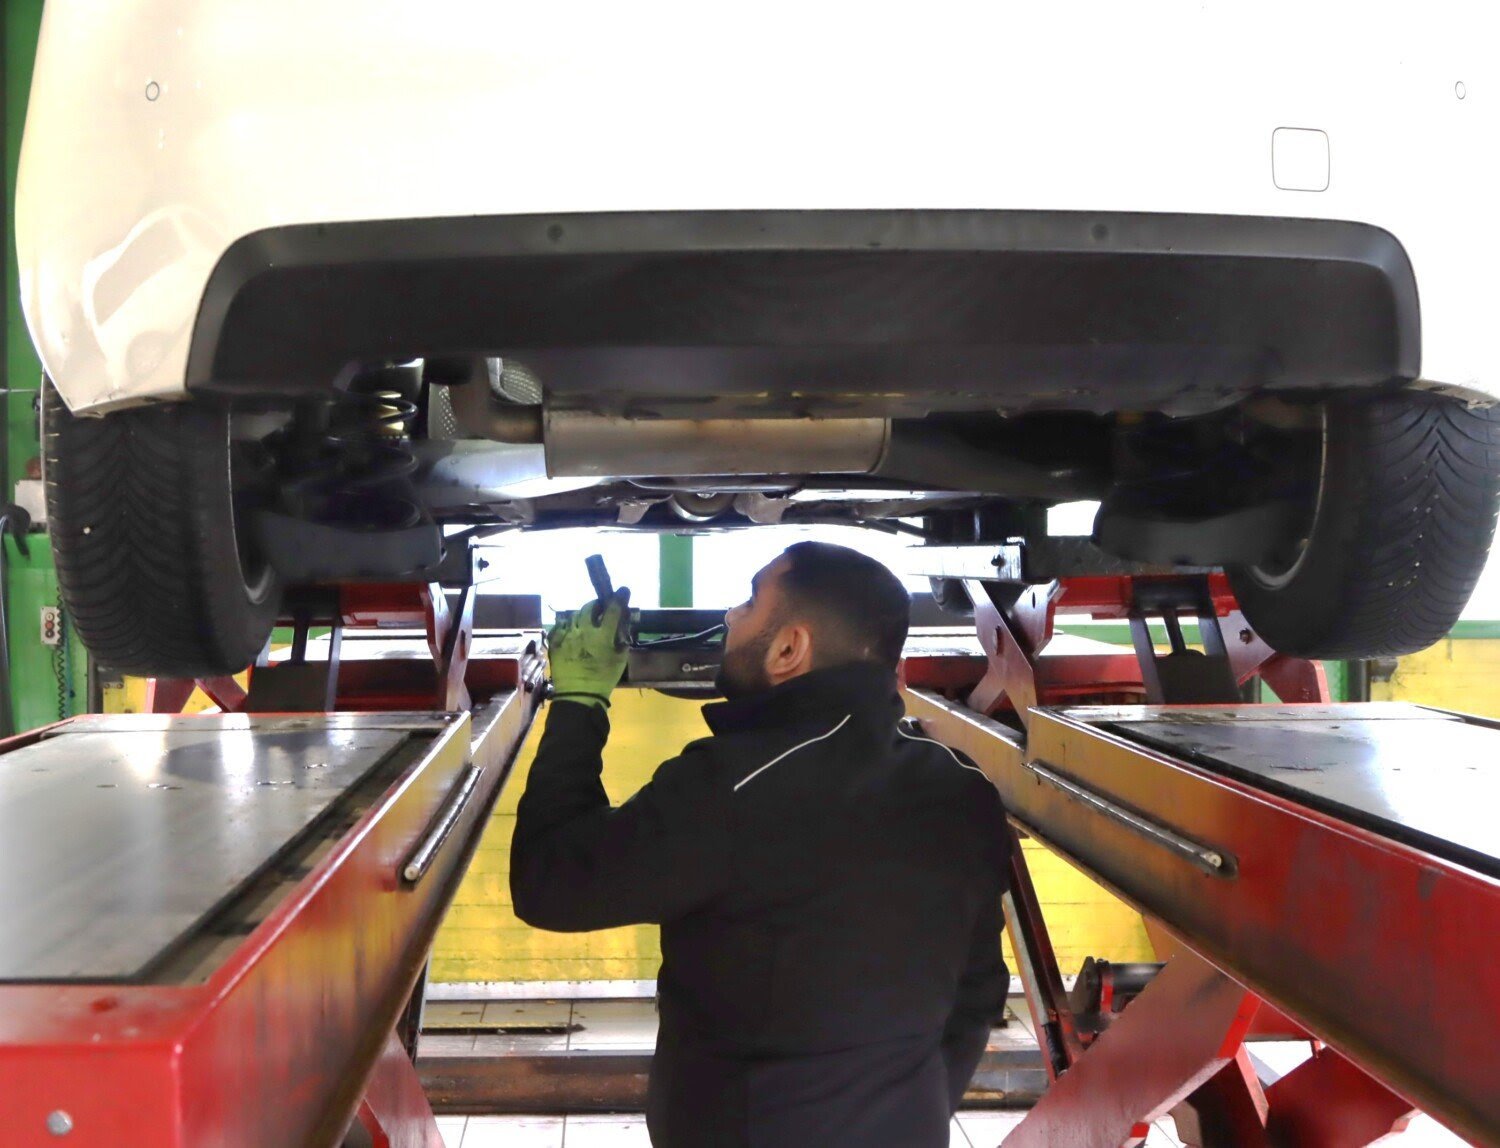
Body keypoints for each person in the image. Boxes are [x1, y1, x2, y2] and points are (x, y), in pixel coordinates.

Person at [511, 541, 1010, 1147]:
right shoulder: (961, 786)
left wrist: (580, 701)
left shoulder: (728, 785)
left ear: (789, 649)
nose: (729, 616)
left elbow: (551, 883)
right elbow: (979, 994)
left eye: (748, 602)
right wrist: (908, 1109)